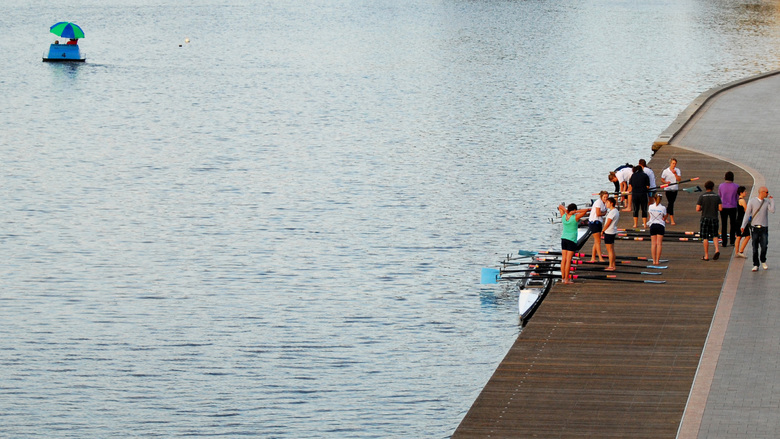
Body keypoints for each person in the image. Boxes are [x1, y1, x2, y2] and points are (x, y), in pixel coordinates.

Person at [740, 186, 775, 271]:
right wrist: (743, 225)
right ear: (762, 192)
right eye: (766, 192)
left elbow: (772, 210)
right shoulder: (752, 201)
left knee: (764, 246)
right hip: (755, 227)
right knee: (755, 247)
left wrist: (772, 200)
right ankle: (756, 264)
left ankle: (763, 260)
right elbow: (747, 214)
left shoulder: (766, 202)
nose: (767, 194)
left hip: (764, 227)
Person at [557, 203, 589, 284]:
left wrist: (566, 211)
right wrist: (575, 212)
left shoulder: (563, 216)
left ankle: (563, 278)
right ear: (574, 210)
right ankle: (566, 279)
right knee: (568, 260)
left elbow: (560, 206)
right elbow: (585, 211)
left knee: (563, 259)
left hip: (564, 239)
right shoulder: (575, 217)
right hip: (571, 240)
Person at [697, 181, 722, 261]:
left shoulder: (702, 196)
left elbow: (697, 208)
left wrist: (703, 208)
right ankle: (717, 249)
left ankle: (706, 255)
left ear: (705, 187)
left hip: (705, 218)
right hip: (714, 217)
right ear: (713, 187)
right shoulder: (717, 196)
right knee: (715, 235)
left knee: (705, 237)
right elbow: (720, 208)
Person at [718, 171, 739, 247]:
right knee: (733, 224)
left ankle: (724, 242)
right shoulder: (736, 186)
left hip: (723, 207)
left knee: (724, 224)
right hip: (733, 206)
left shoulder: (721, 186)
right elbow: (737, 197)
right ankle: (732, 240)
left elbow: (720, 196)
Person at [588, 191, 609, 263]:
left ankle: (593, 257)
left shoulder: (604, 203)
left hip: (599, 222)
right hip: (594, 222)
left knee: (596, 241)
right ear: (601, 197)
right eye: (604, 197)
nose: (606, 198)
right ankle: (600, 257)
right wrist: (604, 213)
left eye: (607, 197)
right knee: (598, 241)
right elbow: (598, 213)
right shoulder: (598, 202)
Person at [647, 193, 668, 265]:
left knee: (653, 244)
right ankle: (657, 261)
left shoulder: (650, 206)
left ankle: (654, 260)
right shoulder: (663, 208)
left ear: (654, 199)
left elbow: (650, 217)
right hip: (660, 225)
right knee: (659, 244)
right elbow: (664, 218)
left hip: (653, 225)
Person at [660, 158, 681, 225]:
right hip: (668, 189)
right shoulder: (665, 171)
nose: (674, 165)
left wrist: (675, 174)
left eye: (675, 164)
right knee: (671, 203)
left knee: (671, 203)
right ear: (670, 163)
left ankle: (665, 217)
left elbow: (679, 180)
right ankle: (672, 219)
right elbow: (662, 179)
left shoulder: (677, 170)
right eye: (673, 163)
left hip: (675, 189)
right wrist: (666, 182)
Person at [602, 197, 620, 271]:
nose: (606, 204)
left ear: (611, 203)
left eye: (607, 202)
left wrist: (602, 231)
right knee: (611, 249)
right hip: (612, 231)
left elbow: (608, 223)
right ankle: (613, 265)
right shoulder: (615, 211)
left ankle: (610, 266)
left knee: (609, 250)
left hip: (609, 232)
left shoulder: (612, 212)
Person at [735, 186, 751, 258]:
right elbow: (746, 210)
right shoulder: (742, 201)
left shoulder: (738, 200)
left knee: (739, 236)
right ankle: (741, 251)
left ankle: (737, 252)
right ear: (741, 193)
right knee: (747, 236)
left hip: (738, 220)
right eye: (744, 191)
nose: (746, 193)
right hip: (742, 220)